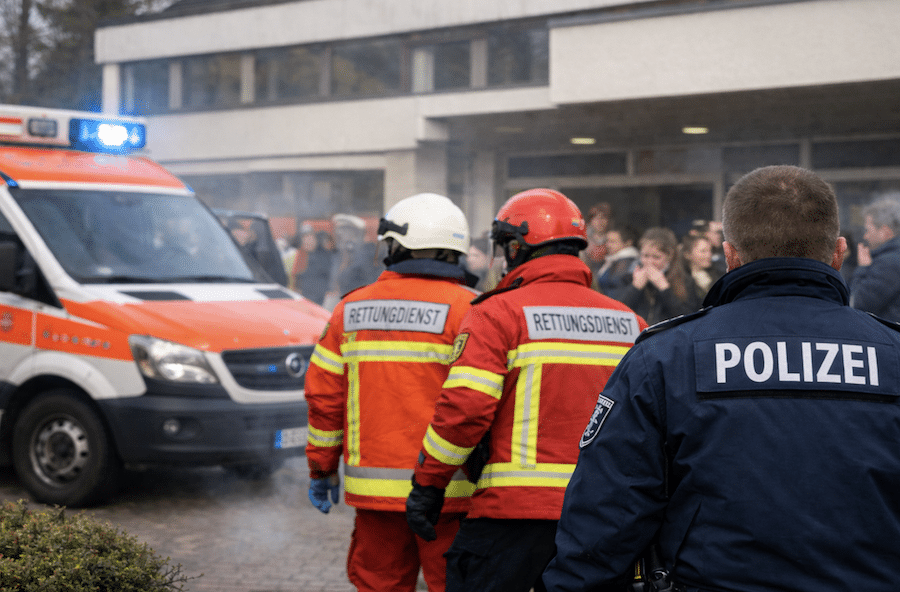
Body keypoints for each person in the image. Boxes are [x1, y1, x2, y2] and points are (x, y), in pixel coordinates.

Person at [544, 165, 900, 592]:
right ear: (839, 252)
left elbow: (606, 518)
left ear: (729, 257)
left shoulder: (665, 357)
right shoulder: (893, 354)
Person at [405, 188, 647, 592]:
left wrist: (429, 484)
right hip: (602, 516)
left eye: (505, 247)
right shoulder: (631, 323)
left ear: (517, 247)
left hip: (512, 515)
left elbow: (465, 410)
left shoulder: (497, 313)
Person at [304, 193, 479, 592]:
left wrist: (322, 468)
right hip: (451, 491)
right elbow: (483, 402)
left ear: (395, 247)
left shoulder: (350, 309)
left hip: (375, 494)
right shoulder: (474, 309)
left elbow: (325, 400)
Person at [618, 226, 699, 325]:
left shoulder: (686, 281)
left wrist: (664, 288)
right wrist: (635, 288)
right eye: (645, 256)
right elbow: (617, 313)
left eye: (656, 257)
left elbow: (688, 317)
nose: (649, 262)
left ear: (669, 257)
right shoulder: (628, 278)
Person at [849, 195, 900, 322]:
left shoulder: (889, 263)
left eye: (868, 230)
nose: (865, 236)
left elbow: (857, 304)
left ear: (885, 232)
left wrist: (863, 268)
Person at [291, 225, 336, 306]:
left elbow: (332, 276)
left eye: (310, 237)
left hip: (323, 300)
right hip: (306, 300)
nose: (308, 241)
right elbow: (296, 278)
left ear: (315, 239)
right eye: (305, 238)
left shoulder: (326, 255)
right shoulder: (300, 255)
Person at [594, 224, 639, 298]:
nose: (608, 245)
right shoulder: (612, 260)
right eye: (607, 241)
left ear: (628, 243)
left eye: (612, 242)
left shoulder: (626, 261)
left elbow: (616, 287)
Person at [680, 232, 723, 302]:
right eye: (703, 251)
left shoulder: (719, 274)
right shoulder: (681, 280)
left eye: (710, 250)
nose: (709, 255)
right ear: (687, 254)